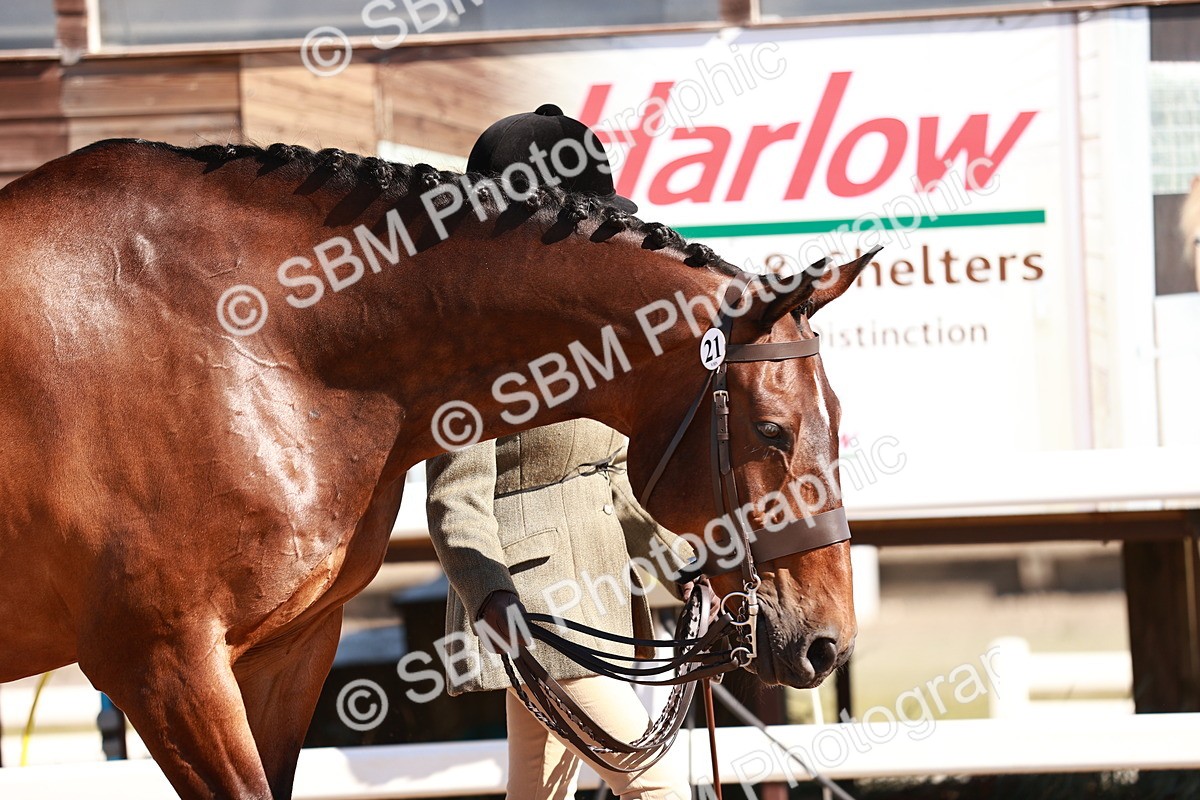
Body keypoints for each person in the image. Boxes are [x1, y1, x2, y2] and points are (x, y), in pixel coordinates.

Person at [425, 104, 695, 800]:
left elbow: (611, 481)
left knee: (536, 793)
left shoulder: (588, 337)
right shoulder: (474, 348)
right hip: (535, 605)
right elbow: (455, 498)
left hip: (601, 600)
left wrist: (684, 566)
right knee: (658, 785)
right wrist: (491, 602)